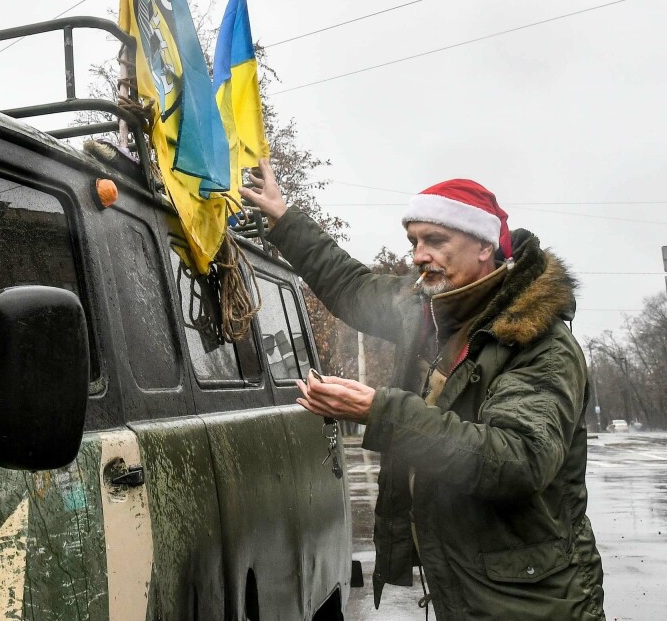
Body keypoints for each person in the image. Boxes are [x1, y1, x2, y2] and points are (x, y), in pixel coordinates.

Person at [241, 163, 605, 621]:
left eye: (435, 240)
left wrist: (380, 411)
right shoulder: (428, 309)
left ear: (484, 245)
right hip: (464, 580)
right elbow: (350, 285)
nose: (418, 255)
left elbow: (518, 460)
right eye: (414, 241)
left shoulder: (537, 341)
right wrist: (283, 216)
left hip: (531, 598)